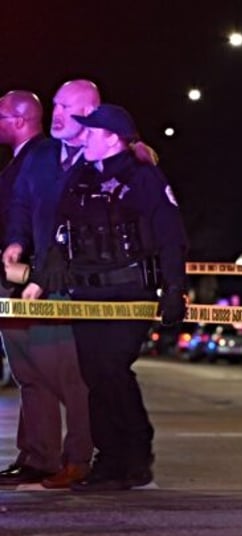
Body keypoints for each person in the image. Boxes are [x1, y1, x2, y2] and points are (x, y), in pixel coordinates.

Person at [22, 103, 188, 492]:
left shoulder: (143, 178)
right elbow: (59, 225)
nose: (85, 138)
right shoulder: (80, 177)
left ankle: (135, 451)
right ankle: (110, 462)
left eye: (92, 132)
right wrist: (50, 261)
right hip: (88, 293)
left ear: (114, 138)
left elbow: (170, 235)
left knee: (112, 368)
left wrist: (175, 288)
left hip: (129, 292)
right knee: (95, 376)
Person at [0, 88, 92, 489]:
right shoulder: (39, 158)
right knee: (29, 373)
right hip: (19, 279)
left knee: (67, 377)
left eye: (65, 107)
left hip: (59, 284)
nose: (57, 114)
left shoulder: (94, 156)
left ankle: (78, 458)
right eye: (55, 106)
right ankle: (39, 456)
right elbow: (20, 206)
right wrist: (16, 240)